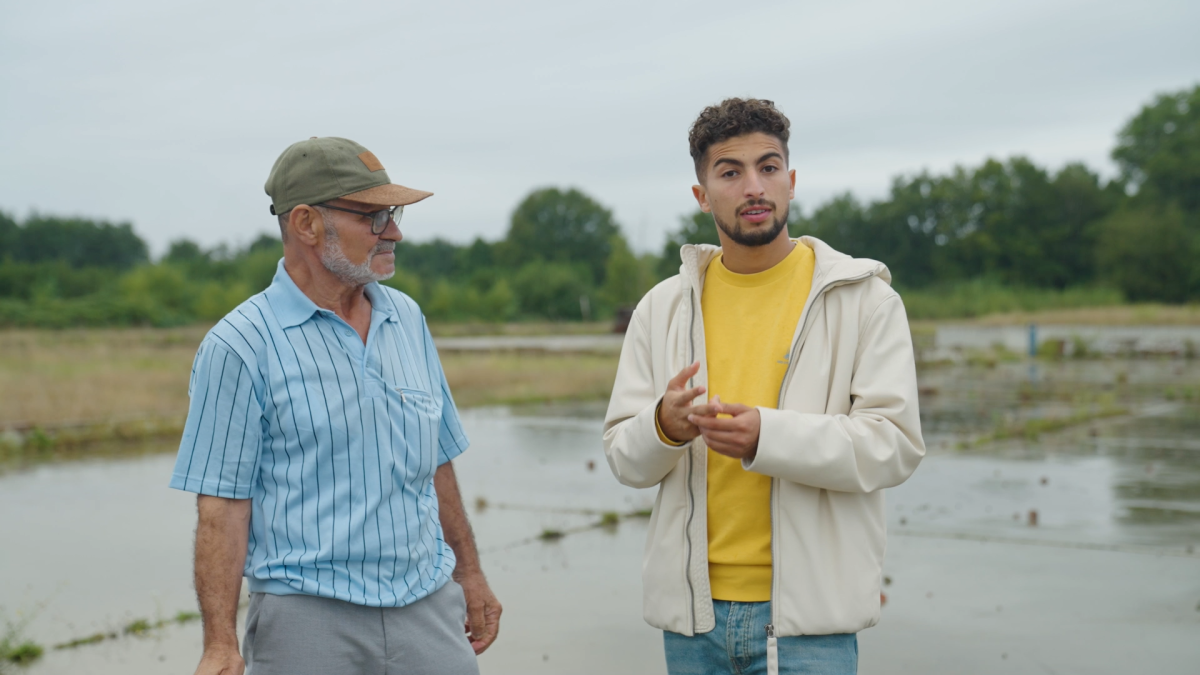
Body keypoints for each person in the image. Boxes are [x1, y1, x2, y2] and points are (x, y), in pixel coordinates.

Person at [602, 99, 925, 675]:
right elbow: (626, 460)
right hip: (692, 621)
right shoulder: (661, 310)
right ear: (702, 195)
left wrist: (765, 437)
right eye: (731, 172)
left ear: (792, 181)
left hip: (808, 628)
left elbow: (893, 446)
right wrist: (663, 428)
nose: (754, 186)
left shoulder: (863, 299)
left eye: (769, 167)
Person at [169, 137, 500, 675]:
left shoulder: (407, 319)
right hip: (307, 619)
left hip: (428, 606)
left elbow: (437, 460)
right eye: (373, 216)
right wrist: (220, 643)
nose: (393, 231)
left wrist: (470, 574)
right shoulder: (239, 346)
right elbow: (222, 509)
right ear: (305, 224)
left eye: (392, 214)